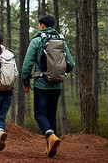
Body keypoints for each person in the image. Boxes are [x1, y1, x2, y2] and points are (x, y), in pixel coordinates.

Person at [22, 15, 75, 158]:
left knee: (40, 114)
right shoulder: (61, 41)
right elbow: (71, 64)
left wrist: (25, 81)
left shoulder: (37, 40)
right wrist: (59, 73)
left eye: (39, 24)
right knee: (51, 114)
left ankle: (50, 136)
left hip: (41, 84)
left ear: (43, 26)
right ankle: (50, 145)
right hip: (57, 85)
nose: (38, 27)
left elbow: (27, 64)